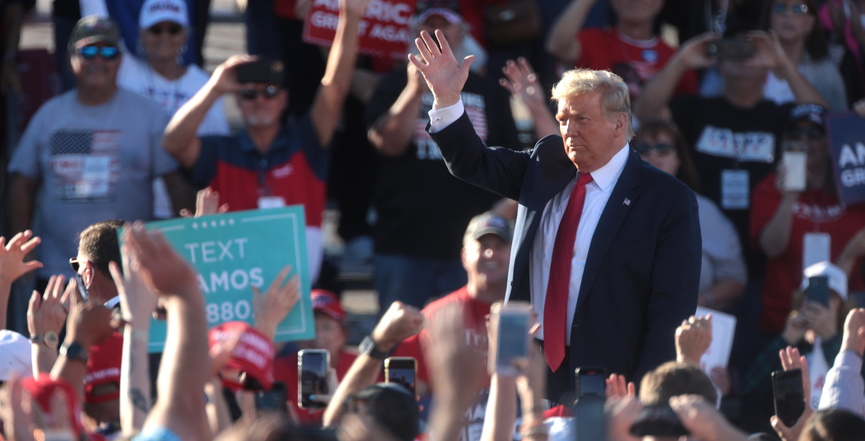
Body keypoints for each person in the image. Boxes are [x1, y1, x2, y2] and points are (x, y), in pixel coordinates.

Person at [412, 29, 701, 403]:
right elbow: (474, 162)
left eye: (582, 119)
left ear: (619, 124)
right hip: (530, 368)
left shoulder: (667, 199)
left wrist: (647, 395)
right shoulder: (547, 164)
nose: (568, 131)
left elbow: (671, 312)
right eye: (563, 119)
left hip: (613, 379)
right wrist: (448, 100)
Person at [162, 0, 372, 285]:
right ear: (237, 100)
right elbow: (173, 143)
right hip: (237, 299)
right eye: (249, 94)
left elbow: (335, 88)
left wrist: (350, 16)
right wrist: (214, 88)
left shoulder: (305, 144)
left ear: (284, 100)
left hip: (301, 299)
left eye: (270, 92)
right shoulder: (221, 150)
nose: (260, 101)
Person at [634, 20, 829, 281]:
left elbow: (823, 120)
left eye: (750, 50)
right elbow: (643, 114)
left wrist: (783, 64)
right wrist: (681, 60)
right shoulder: (695, 110)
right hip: (705, 245)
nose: (742, 56)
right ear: (719, 60)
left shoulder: (780, 115)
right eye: (732, 49)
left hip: (768, 244)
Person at [6, 16, 183, 286]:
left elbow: (177, 185)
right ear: (70, 59)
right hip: (59, 274)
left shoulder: (150, 114)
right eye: (87, 51)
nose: (98, 60)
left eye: (108, 52)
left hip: (131, 273)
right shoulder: (48, 116)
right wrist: (24, 252)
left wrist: (180, 246)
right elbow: (21, 184)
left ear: (120, 60)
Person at [365, 1, 519, 311]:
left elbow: (509, 162)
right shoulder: (393, 85)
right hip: (403, 243)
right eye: (427, 26)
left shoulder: (489, 91)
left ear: (463, 32)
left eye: (445, 25)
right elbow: (387, 144)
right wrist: (414, 90)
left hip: (471, 246)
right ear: (413, 32)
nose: (436, 33)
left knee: (468, 348)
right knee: (400, 349)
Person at [323, 212, 513, 441]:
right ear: (464, 256)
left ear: (514, 254)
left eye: (500, 245)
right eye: (482, 245)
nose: (490, 253)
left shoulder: (533, 315)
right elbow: (405, 394)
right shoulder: (439, 316)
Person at [750, 104, 865, 335]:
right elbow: (772, 248)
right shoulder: (771, 188)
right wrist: (788, 200)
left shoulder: (856, 188)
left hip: (846, 320)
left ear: (831, 140)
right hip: (785, 322)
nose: (805, 140)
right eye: (796, 133)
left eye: (814, 133)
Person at [117, 0, 230, 219]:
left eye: (173, 29)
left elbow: (217, 148)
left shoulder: (204, 83)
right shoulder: (124, 72)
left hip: (185, 202)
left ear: (186, 35)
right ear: (141, 33)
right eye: (156, 29)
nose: (164, 36)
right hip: (134, 205)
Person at [633, 119, 747, 309]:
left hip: (689, 328)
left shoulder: (704, 210)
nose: (653, 154)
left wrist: (698, 302)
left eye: (663, 148)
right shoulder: (613, 205)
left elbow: (735, 280)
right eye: (643, 148)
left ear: (679, 157)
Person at [743, 262, 864, 433]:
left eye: (830, 297)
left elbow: (857, 386)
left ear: (842, 306)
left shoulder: (856, 343)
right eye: (812, 296)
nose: (819, 304)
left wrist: (830, 338)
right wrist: (786, 339)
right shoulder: (787, 342)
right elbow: (751, 391)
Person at [546, 0, 699, 103]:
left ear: (660, 3)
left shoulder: (677, 59)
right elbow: (557, 46)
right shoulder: (593, 41)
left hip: (651, 148)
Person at [271, 289, 358, 425]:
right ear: (296, 336)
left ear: (344, 334)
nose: (318, 334)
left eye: (327, 327)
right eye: (310, 328)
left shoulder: (360, 367)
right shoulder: (279, 368)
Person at [759, 0, 848, 110]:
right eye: (780, 8)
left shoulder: (827, 74)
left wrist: (785, 66)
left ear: (810, 22)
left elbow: (834, 121)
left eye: (800, 9)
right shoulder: (749, 64)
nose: (789, 14)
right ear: (769, 17)